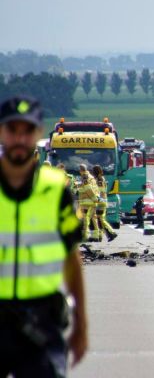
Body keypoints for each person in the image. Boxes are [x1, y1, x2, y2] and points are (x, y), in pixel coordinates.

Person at [0, 96, 88, 376]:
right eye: (12, 130)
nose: (19, 138)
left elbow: (71, 257)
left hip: (40, 323)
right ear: (2, 133)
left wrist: (81, 323)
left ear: (38, 135)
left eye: (27, 131)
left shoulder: (55, 189)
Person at [91, 165, 118, 242]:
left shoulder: (99, 180)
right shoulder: (99, 179)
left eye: (93, 171)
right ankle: (100, 236)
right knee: (99, 219)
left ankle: (112, 233)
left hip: (101, 201)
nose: (92, 172)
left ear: (95, 171)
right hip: (100, 201)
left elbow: (100, 190)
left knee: (101, 219)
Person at [77, 164, 100, 242]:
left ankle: (85, 236)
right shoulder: (91, 177)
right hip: (92, 201)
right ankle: (96, 235)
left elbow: (88, 189)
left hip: (87, 202)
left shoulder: (85, 177)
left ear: (80, 170)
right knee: (94, 218)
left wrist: (94, 199)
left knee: (86, 219)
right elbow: (95, 188)